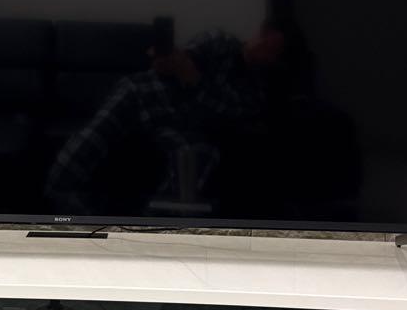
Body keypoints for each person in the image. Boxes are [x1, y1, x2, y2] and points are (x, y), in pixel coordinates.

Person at [46, 21, 306, 214]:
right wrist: (173, 63)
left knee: (200, 155)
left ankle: (150, 231)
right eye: (267, 41)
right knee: (98, 131)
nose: (266, 51)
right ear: (262, 33)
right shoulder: (219, 41)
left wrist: (192, 78)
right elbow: (181, 63)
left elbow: (222, 110)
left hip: (185, 126)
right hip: (147, 96)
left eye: (274, 51)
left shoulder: (256, 90)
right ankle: (66, 198)